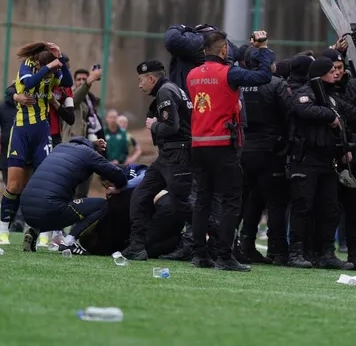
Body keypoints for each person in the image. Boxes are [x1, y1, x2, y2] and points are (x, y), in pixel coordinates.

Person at [287, 57, 356, 270]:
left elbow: (355, 115)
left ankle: (327, 253)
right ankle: (296, 252)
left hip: (328, 161)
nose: (336, 73)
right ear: (320, 73)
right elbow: (303, 109)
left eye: (337, 69)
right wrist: (329, 116)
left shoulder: (332, 97)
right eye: (330, 70)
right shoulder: (306, 91)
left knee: (331, 208)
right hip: (306, 160)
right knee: (303, 207)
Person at [187, 30, 275, 271]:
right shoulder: (229, 73)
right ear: (224, 50)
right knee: (231, 201)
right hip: (223, 144)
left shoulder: (192, 75)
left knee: (203, 200)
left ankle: (199, 254)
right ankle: (225, 255)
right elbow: (264, 76)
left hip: (198, 144)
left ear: (204, 50)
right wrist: (263, 50)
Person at [0, 42, 73, 245]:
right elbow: (26, 84)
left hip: (42, 134)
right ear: (36, 63)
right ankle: (3, 233)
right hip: (21, 132)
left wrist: (60, 59)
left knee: (45, 186)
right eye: (44, 71)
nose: (47, 78)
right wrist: (48, 68)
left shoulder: (54, 68)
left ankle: (44, 236)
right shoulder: (28, 66)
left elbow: (68, 83)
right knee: (14, 185)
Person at [121, 60, 194, 261]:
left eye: (141, 80)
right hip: (167, 157)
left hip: (178, 156)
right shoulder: (170, 89)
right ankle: (136, 247)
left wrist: (153, 125)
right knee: (140, 195)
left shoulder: (166, 91)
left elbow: (172, 127)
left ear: (152, 78)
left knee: (183, 205)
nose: (139, 85)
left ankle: (218, 241)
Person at [19, 137, 128, 255]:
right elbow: (117, 174)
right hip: (49, 207)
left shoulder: (59, 148)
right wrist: (119, 187)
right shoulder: (89, 154)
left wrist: (92, 144)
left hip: (26, 209)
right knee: (103, 205)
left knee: (58, 199)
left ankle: (34, 231)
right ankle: (69, 241)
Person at [238, 45, 292, 265]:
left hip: (244, 150)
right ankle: (278, 251)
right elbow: (289, 115)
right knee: (276, 204)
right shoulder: (277, 84)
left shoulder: (239, 84)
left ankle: (241, 246)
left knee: (246, 202)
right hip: (270, 152)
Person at [0, 86, 25, 232]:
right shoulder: (2, 107)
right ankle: (9, 219)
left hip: (25, 155)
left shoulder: (31, 106)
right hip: (6, 157)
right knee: (11, 188)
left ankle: (20, 220)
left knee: (23, 188)